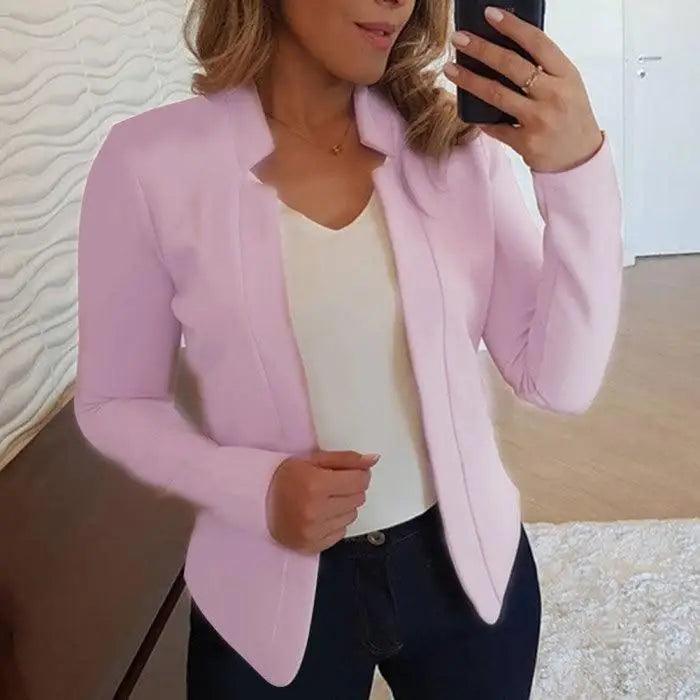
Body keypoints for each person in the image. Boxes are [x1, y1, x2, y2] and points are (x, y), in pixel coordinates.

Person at [74, 0, 623, 697]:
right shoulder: (150, 162)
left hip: (467, 576)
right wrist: (254, 489)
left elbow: (560, 381)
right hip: (262, 588)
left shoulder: (452, 147)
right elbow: (116, 401)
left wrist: (576, 173)